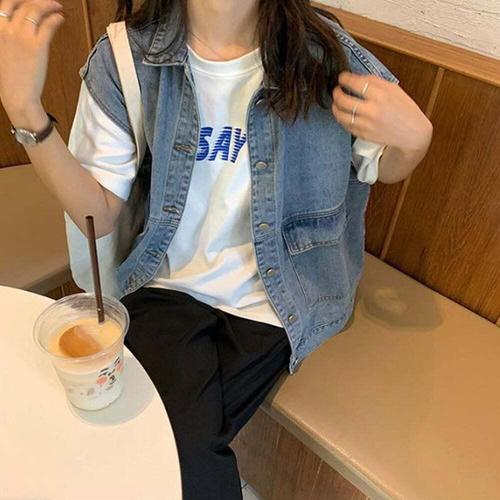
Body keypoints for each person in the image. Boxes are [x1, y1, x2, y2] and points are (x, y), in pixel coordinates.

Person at [0, 0, 433, 498]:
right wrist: (26, 112)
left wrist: (415, 142)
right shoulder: (126, 57)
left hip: (284, 296)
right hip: (168, 286)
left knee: (151, 441)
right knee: (168, 444)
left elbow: (382, 162)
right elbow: (96, 213)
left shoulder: (329, 59)